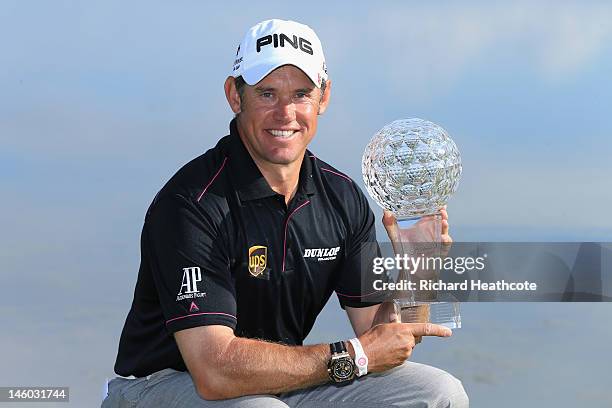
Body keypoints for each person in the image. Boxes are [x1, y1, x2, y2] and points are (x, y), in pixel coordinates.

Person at [103, 19, 468, 407]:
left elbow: (383, 336)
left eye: (301, 94)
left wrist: (419, 270)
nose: (285, 113)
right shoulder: (191, 204)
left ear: (324, 97)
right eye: (266, 94)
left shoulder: (341, 197)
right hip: (163, 386)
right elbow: (214, 372)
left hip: (284, 384)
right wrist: (354, 356)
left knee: (437, 394)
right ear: (234, 95)